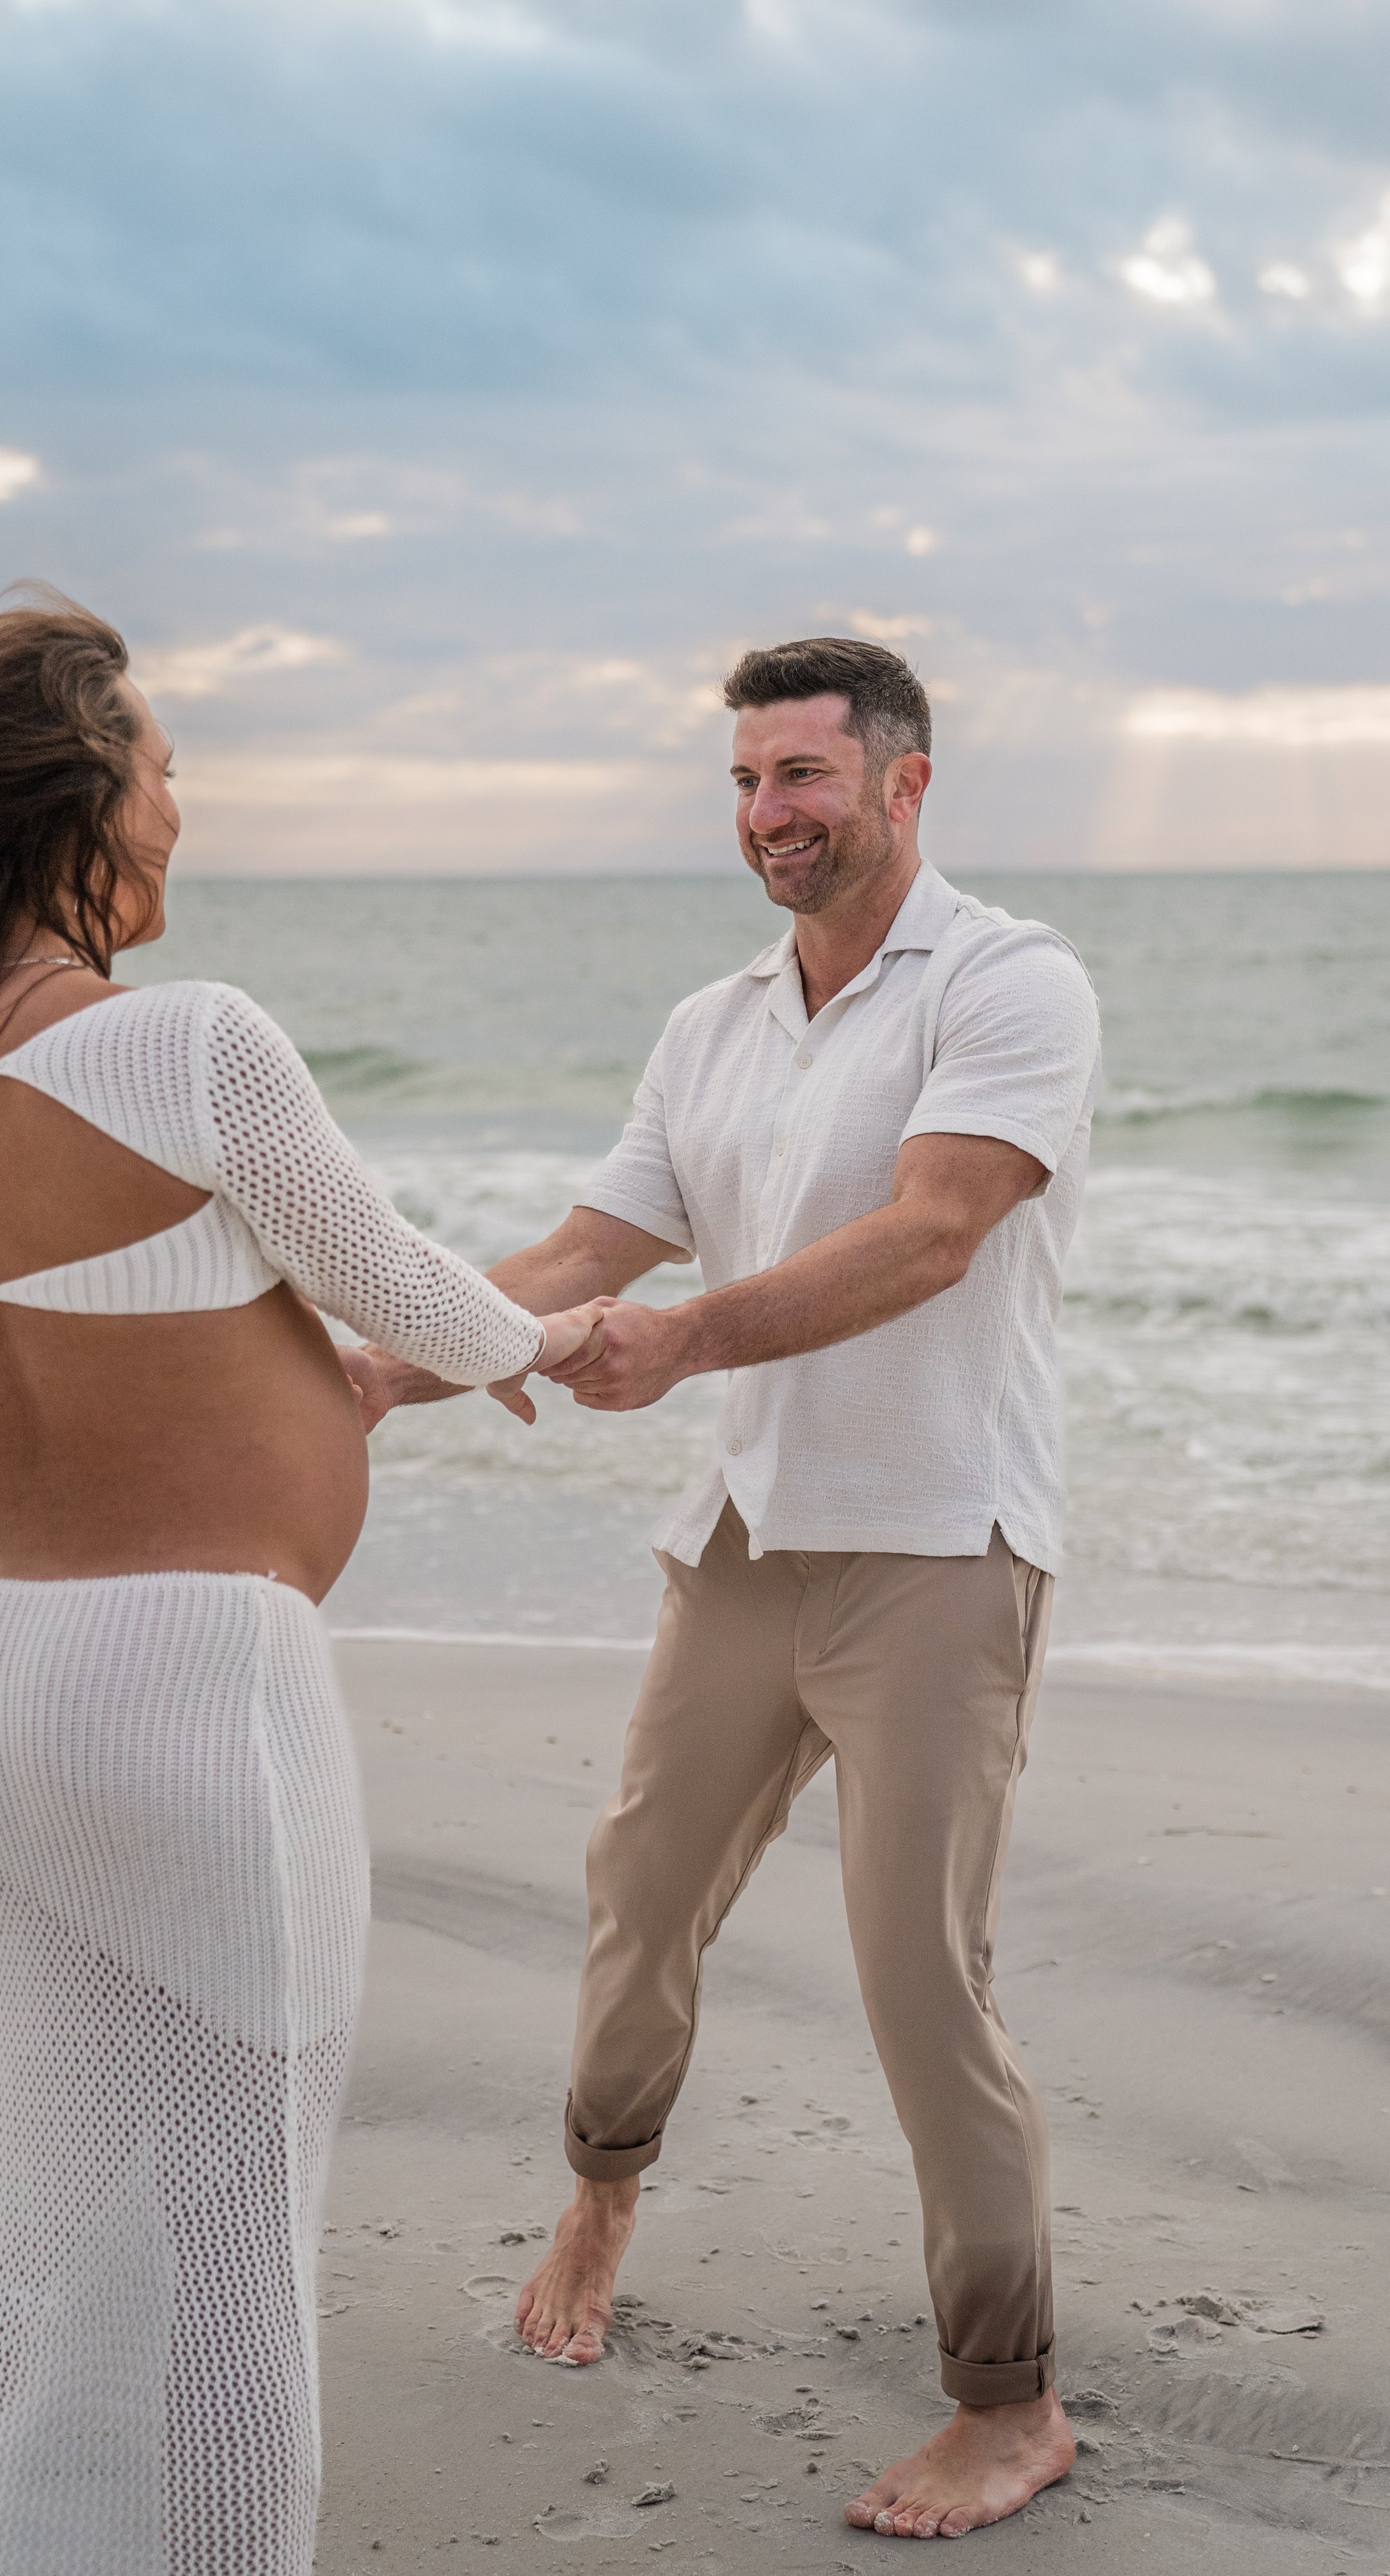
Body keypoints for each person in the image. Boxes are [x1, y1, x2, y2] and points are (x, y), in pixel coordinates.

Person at [0, 596, 605, 2576]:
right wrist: (561, 1337)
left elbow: (152, 1331)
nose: (185, 805)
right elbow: (404, 1285)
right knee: (232, 2226)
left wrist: (360, 1364)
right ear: (78, 793)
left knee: (32, 2178)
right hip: (184, 1693)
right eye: (167, 765)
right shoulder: (186, 1042)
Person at [346, 635, 1102, 2543]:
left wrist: (682, 1341)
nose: (769, 813)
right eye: (748, 781)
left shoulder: (1011, 982)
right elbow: (584, 1249)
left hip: (939, 1547)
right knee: (638, 1895)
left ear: (903, 784)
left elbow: (933, 1233)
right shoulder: (713, 1024)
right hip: (745, 1544)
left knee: (919, 1978)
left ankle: (1009, 2405)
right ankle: (600, 2199)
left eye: (803, 776)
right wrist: (375, 1367)